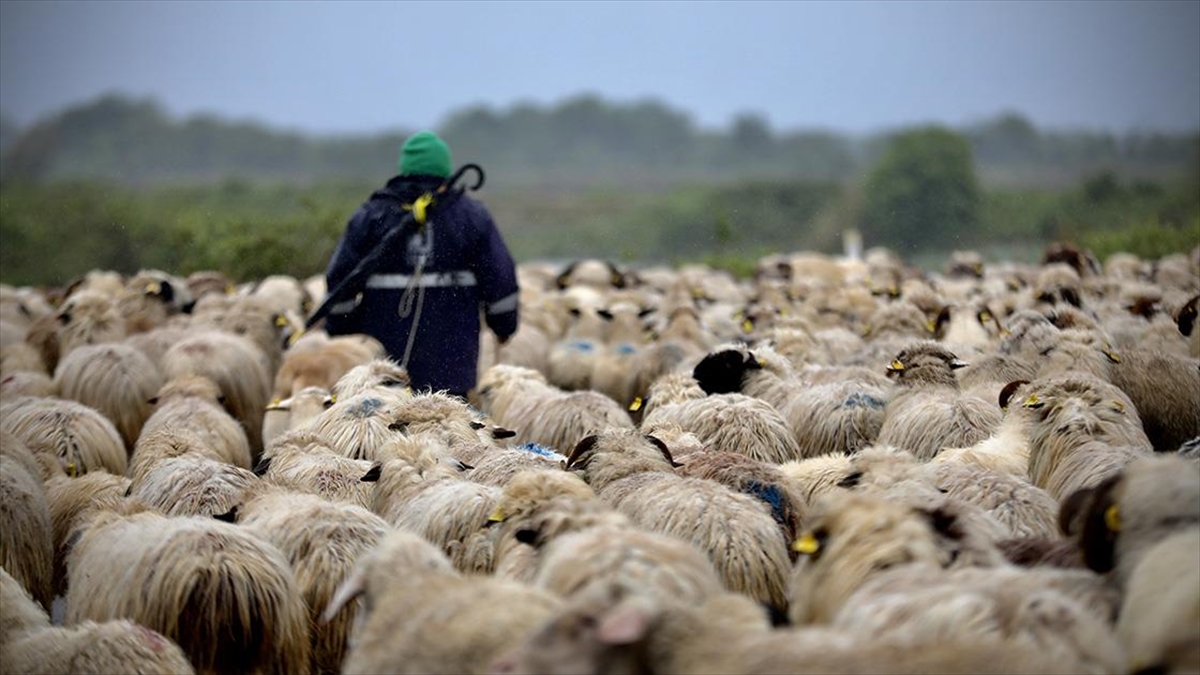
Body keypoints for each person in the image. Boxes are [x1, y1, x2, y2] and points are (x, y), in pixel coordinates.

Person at [323, 131, 519, 400]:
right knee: (447, 431)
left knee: (384, 432)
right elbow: (500, 278)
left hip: (380, 363)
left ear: (405, 168)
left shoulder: (372, 215)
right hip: (450, 363)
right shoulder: (471, 216)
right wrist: (504, 326)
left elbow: (340, 282)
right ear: (444, 168)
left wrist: (343, 332)